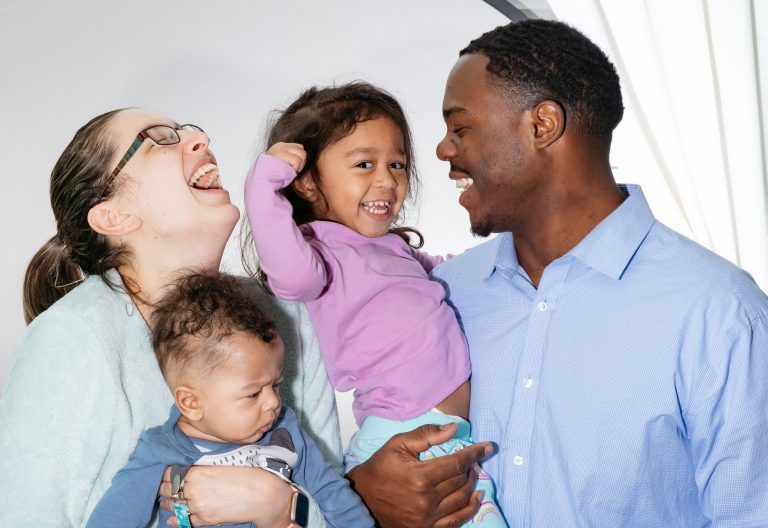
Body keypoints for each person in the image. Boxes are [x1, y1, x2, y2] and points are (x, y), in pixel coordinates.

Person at [424, 19, 768, 526]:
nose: (443, 150)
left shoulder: (721, 314)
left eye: (460, 127)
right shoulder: (442, 295)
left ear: (542, 124)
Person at [0, 108, 342, 527]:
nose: (201, 140)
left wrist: (284, 507)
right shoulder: (69, 340)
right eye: (159, 137)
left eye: (189, 130)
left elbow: (335, 497)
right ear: (113, 216)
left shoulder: (286, 317)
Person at [244, 81, 506, 527]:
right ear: (306, 183)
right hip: (405, 436)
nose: (386, 180)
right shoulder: (316, 254)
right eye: (364, 164)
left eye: (397, 164)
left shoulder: (390, 248)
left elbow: (447, 273)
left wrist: (514, 249)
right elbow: (287, 271)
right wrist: (263, 185)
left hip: (447, 435)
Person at [88, 272, 372, 528]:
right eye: (253, 393)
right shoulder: (159, 451)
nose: (274, 402)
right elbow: (115, 517)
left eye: (276, 385)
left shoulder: (287, 430)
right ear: (191, 403)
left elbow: (331, 492)